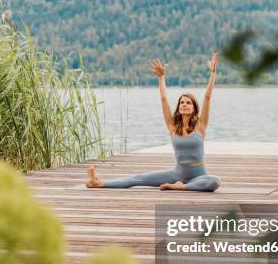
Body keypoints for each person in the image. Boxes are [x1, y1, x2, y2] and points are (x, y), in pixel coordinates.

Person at [86, 53, 221, 192]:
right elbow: (164, 100)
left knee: (214, 181)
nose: (184, 105)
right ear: (178, 107)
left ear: (194, 108)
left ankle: (182, 187)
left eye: (188, 103)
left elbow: (207, 97)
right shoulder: (172, 126)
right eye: (182, 102)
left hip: (199, 177)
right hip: (177, 174)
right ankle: (99, 183)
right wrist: (161, 78)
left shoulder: (200, 126)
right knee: (138, 178)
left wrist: (213, 73)